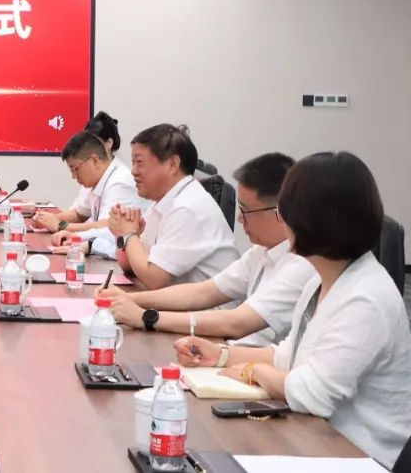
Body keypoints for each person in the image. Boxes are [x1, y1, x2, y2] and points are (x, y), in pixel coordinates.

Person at [174, 152, 411, 469]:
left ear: (310, 220)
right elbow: (290, 355)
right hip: (317, 438)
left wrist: (253, 371)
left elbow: (312, 394)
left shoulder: (366, 298)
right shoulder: (322, 278)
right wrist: (220, 355)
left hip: (359, 455)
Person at [98, 153, 315, 345]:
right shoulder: (260, 251)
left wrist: (145, 317)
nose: (240, 219)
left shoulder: (301, 264)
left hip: (245, 354)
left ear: (280, 212)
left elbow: (237, 323)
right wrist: (129, 300)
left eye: (246, 210)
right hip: (228, 346)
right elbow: (202, 292)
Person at [109, 124, 238, 289]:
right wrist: (124, 234)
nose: (133, 171)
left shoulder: (187, 208)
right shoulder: (161, 203)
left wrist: (128, 234)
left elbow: (154, 279)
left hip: (208, 306)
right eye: (133, 163)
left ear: (172, 164)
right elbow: (130, 266)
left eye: (139, 162)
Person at [32, 131, 142, 259]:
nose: (74, 176)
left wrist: (61, 226)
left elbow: (108, 225)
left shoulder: (120, 182)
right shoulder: (97, 179)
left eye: (75, 169)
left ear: (94, 160)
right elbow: (79, 214)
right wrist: (49, 219)